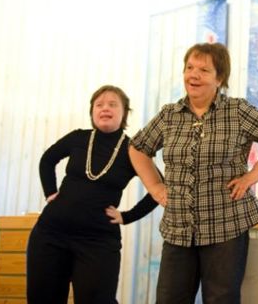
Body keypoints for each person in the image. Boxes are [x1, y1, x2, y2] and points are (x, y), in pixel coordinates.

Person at [129, 42, 258, 303]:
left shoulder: (237, 111)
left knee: (221, 298)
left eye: (204, 70)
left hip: (226, 225)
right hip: (178, 228)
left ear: (219, 79)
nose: (193, 75)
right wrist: (156, 188)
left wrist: (253, 175)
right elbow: (137, 148)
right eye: (189, 68)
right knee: (169, 298)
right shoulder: (169, 115)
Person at [27, 85, 159, 304]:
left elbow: (159, 188)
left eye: (112, 104)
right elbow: (48, 159)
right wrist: (50, 191)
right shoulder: (79, 138)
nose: (105, 108)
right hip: (51, 235)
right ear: (92, 112)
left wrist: (127, 216)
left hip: (97, 242)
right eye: (99, 104)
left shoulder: (132, 150)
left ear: (124, 112)